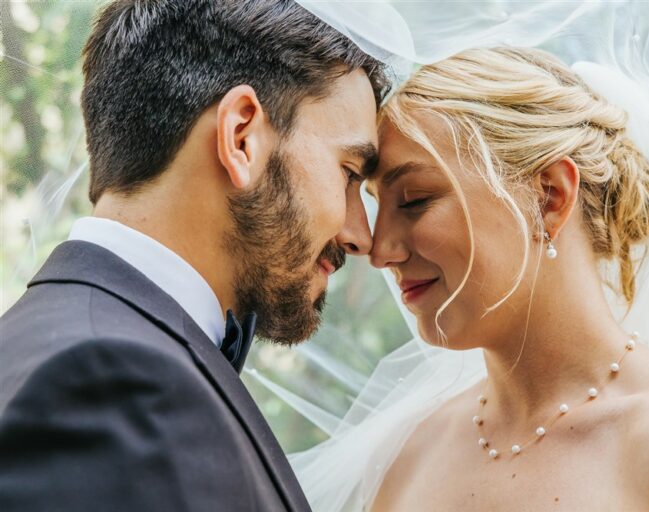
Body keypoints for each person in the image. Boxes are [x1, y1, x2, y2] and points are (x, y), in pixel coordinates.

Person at [0, 0, 387, 510]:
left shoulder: (54, 345)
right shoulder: (110, 384)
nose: (363, 236)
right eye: (350, 172)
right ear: (241, 137)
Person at [360, 47, 649, 511]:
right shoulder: (411, 455)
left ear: (549, 196)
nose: (379, 251)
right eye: (377, 207)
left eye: (414, 199)